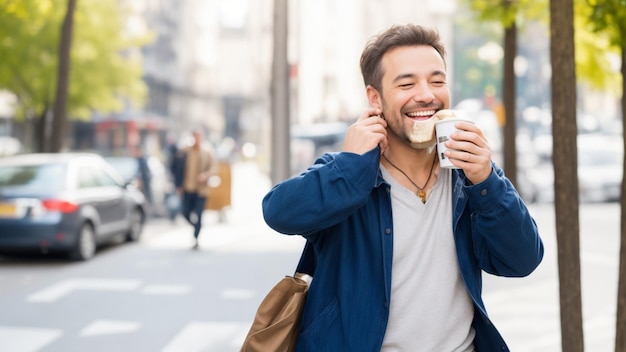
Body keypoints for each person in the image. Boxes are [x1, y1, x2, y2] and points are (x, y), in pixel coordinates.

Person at [262, 24, 544, 351]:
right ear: (375, 98)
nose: (426, 94)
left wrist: (487, 180)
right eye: (407, 83)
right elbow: (278, 212)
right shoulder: (348, 175)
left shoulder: (468, 178)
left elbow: (522, 260)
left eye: (437, 81)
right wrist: (353, 165)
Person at [171, 130, 216, 249]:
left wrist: (205, 175)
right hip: (187, 188)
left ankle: (196, 237)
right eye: (194, 137)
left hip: (201, 190)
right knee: (185, 213)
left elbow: (213, 168)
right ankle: (196, 225)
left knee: (199, 213)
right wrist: (178, 185)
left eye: (198, 137)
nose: (196, 139)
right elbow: (175, 168)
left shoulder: (207, 152)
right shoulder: (184, 151)